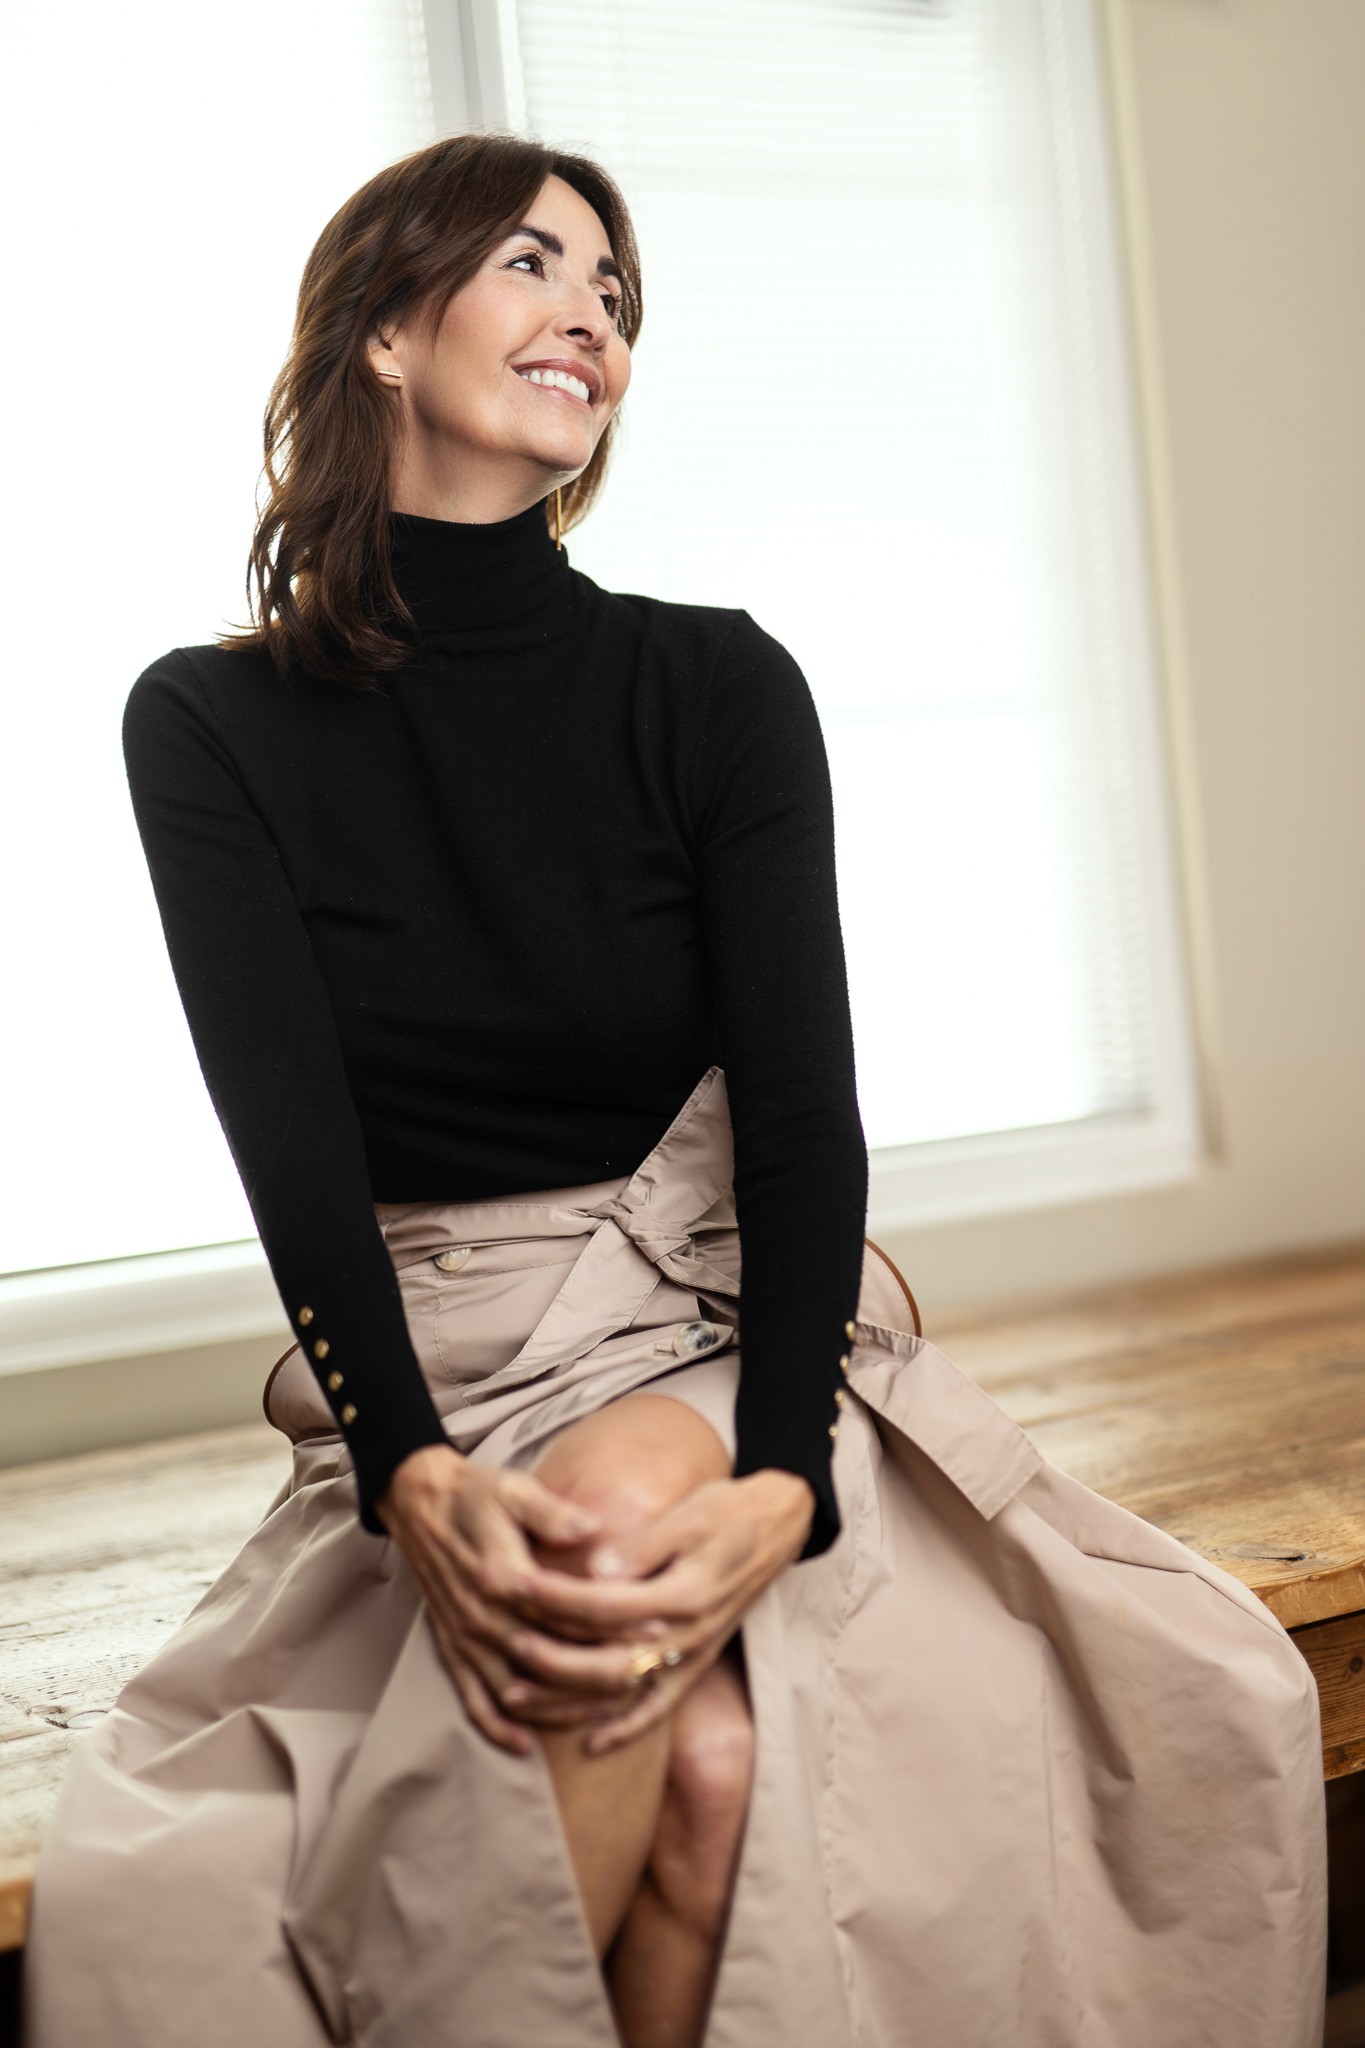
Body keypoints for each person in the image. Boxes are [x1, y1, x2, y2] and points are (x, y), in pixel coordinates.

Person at [21, 131, 1329, 2048]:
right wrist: (405, 1465)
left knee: (624, 1535)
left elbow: (801, 1126)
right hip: (444, 1346)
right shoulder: (206, 721)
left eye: (616, 295)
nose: (592, 318)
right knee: (706, 1770)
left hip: (714, 1329)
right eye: (535, 265)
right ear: (383, 327)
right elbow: (286, 1141)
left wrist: (783, 1476)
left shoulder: (716, 684)